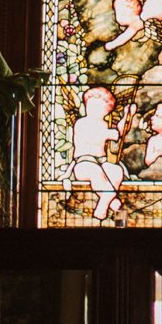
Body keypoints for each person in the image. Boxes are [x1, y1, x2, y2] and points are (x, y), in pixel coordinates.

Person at [67, 86, 134, 222]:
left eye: (98, 108)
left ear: (106, 110)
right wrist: (107, 134)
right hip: (84, 164)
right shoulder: (82, 123)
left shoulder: (104, 124)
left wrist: (128, 115)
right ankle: (113, 208)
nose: (91, 110)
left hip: (102, 162)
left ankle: (104, 205)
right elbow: (91, 137)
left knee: (116, 171)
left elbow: (120, 132)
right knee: (96, 173)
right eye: (89, 105)